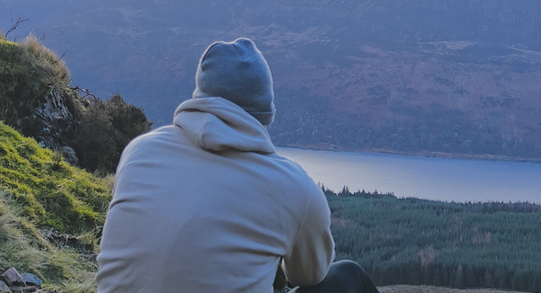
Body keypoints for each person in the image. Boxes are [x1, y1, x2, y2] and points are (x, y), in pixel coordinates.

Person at [97, 38, 380, 293]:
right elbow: (309, 277)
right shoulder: (294, 187)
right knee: (349, 275)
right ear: (265, 110)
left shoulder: (139, 150)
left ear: (201, 94)